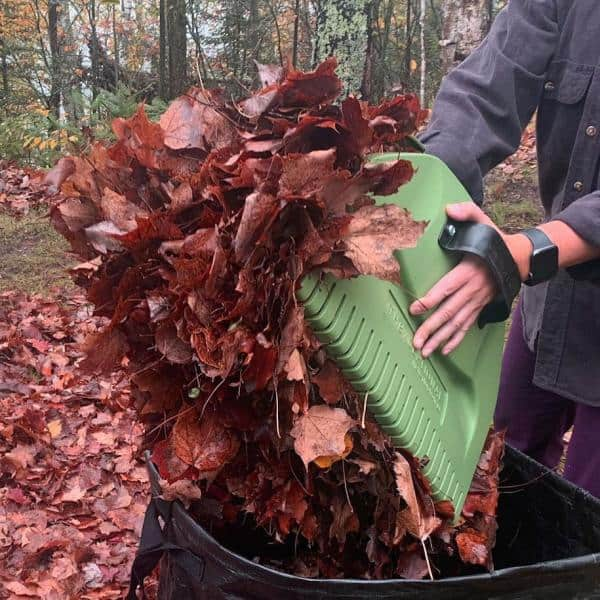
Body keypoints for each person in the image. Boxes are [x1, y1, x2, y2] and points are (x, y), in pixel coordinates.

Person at [412, 0, 600, 497]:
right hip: (551, 304)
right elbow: (487, 89)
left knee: (587, 517)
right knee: (490, 470)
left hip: (544, 261)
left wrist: (519, 252)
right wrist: (419, 192)